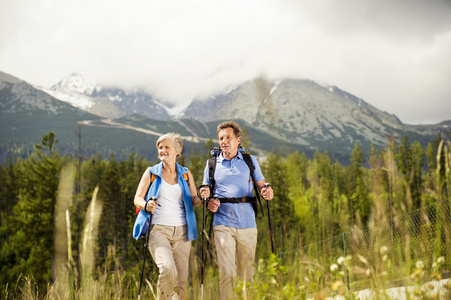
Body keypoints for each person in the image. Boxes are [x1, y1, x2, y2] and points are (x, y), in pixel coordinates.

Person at [199, 121, 273, 300]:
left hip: (248, 223)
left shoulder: (250, 161)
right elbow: (205, 192)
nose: (224, 141)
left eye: (228, 137)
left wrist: (267, 192)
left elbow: (262, 186)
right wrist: (207, 200)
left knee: (247, 274)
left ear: (238, 140)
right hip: (222, 223)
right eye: (221, 138)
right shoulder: (212, 164)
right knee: (227, 272)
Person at [133, 133, 202, 299]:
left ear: (177, 151)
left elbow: (195, 201)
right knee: (167, 268)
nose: (162, 150)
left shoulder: (185, 174)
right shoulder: (151, 173)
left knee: (182, 281)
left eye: (166, 147)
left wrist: (203, 195)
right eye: (160, 147)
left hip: (183, 232)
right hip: (158, 230)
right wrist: (146, 205)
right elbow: (137, 198)